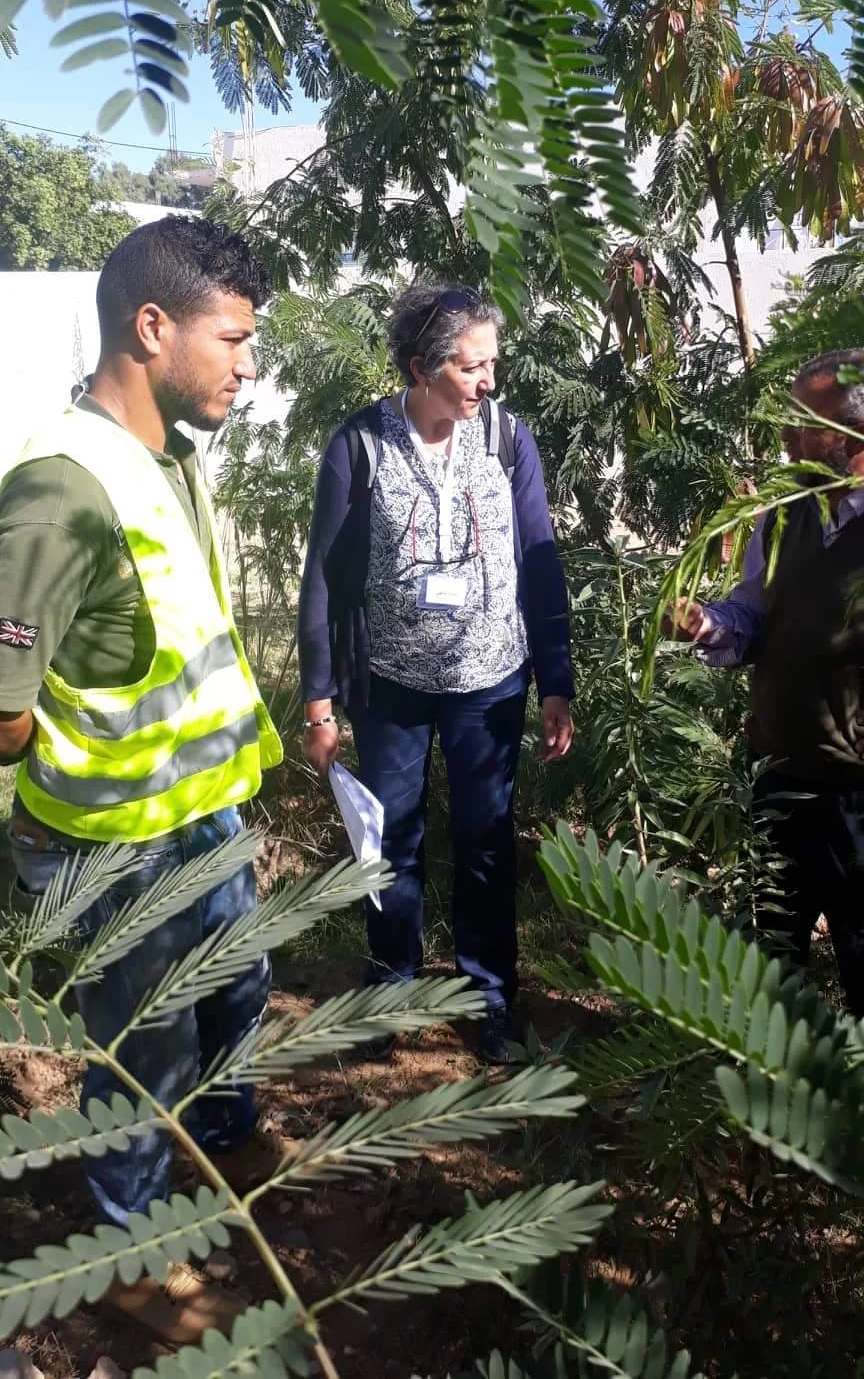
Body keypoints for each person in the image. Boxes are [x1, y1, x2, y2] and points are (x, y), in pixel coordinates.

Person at [0, 216, 283, 1337]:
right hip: (118, 846)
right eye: (235, 338)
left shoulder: (170, 456)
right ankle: (127, 1253)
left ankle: (222, 1153)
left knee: (238, 1001)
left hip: (208, 813)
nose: (249, 365)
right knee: (144, 1049)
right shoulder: (58, 492)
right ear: (151, 327)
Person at [298, 283, 574, 1063]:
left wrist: (556, 681)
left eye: (493, 364)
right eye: (473, 366)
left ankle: (489, 997)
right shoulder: (361, 444)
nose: (489, 382)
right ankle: (391, 991)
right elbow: (323, 575)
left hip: (490, 682)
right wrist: (319, 702)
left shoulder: (506, 438)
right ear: (422, 368)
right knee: (388, 843)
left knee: (487, 841)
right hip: (391, 685)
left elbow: (540, 562)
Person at [664, 348, 864, 1015]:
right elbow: (751, 613)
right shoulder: (784, 516)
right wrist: (705, 625)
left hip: (855, 794)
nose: (787, 437)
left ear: (851, 436)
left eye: (805, 422)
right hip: (779, 772)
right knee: (771, 965)